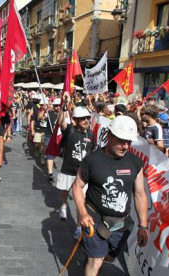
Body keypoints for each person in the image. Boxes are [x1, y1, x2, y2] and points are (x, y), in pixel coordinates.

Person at [73, 116, 148, 276]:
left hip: (121, 224)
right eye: (122, 141)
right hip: (95, 220)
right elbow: (77, 187)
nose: (126, 146)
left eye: (129, 142)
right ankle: (92, 259)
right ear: (109, 136)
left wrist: (143, 226)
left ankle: (92, 257)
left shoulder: (135, 162)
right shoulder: (92, 160)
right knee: (96, 260)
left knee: (108, 257)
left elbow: (140, 194)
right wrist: (83, 212)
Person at [56, 94, 95, 238]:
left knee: (81, 202)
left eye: (87, 118)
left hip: (83, 174)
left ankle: (79, 227)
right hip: (68, 169)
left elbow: (92, 150)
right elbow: (61, 121)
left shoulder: (91, 134)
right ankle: (64, 205)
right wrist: (64, 104)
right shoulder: (70, 131)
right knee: (65, 191)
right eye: (83, 119)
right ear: (75, 120)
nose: (86, 121)